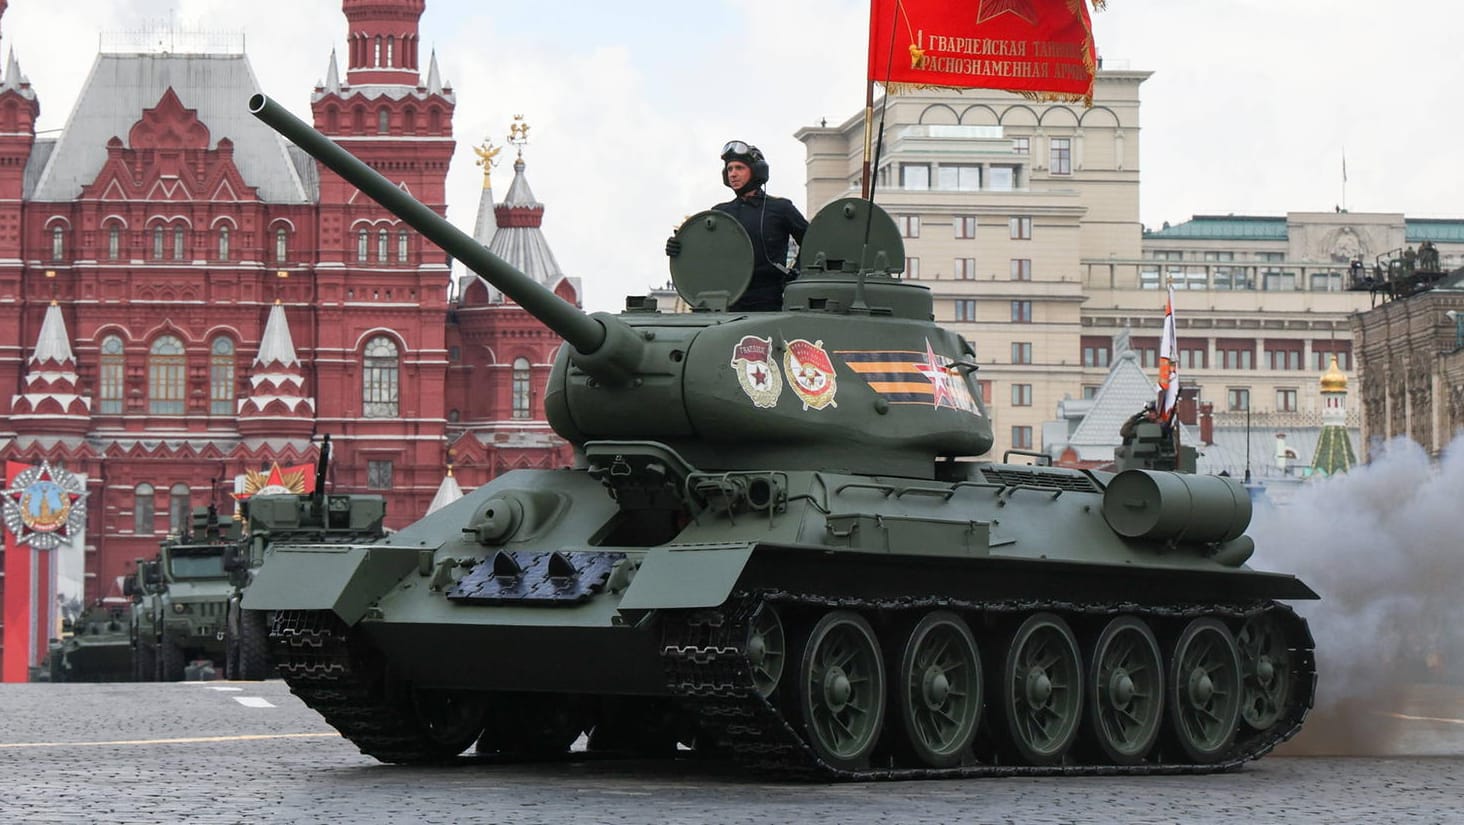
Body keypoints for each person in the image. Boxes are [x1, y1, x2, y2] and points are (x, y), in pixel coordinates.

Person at [666, 140, 808, 311]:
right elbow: (706, 253)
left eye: (739, 168)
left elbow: (812, 239)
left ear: (756, 171)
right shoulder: (720, 214)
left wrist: (797, 273)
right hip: (727, 300)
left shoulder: (780, 209)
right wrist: (680, 249)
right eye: (729, 169)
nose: (733, 174)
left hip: (768, 302)